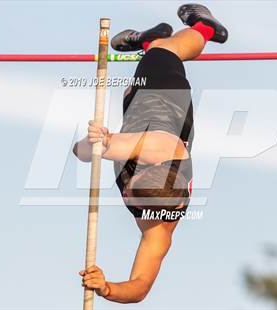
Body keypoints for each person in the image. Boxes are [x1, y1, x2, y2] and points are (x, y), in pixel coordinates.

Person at [73, 3, 227, 303]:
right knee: (165, 52)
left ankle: (148, 39)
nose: (126, 187)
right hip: (167, 96)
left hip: (135, 109)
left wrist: (107, 288)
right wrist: (97, 143)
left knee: (134, 85)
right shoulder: (159, 149)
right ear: (153, 166)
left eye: (130, 189)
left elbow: (140, 287)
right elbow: (83, 152)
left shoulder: (155, 221)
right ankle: (206, 29)